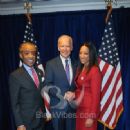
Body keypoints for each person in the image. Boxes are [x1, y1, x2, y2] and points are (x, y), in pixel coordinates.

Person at [9, 42, 46, 130]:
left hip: (41, 120)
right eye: (27, 53)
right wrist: (20, 124)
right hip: (26, 123)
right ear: (21, 55)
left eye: (33, 53)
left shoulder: (40, 72)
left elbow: (42, 95)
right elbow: (15, 103)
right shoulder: (15, 76)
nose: (31, 56)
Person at [44, 35, 77, 130]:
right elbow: (47, 85)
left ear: (72, 47)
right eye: (62, 46)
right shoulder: (51, 64)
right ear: (58, 47)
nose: (65, 49)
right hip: (57, 109)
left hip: (72, 109)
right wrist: (63, 95)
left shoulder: (77, 64)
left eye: (67, 46)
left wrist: (74, 94)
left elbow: (79, 85)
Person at [75, 42, 102, 130]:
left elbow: (96, 96)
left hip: (88, 111)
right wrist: (73, 94)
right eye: (80, 53)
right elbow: (80, 89)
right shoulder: (81, 68)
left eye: (85, 53)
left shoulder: (94, 71)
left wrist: (91, 116)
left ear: (91, 55)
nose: (82, 55)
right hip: (80, 110)